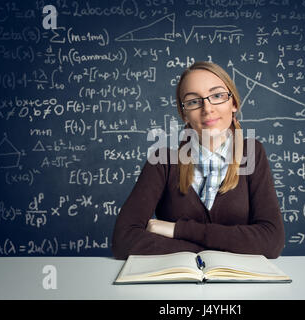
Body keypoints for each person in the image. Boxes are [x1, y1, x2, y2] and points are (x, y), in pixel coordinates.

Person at [112, 61, 285, 259]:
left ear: (234, 103)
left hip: (239, 286)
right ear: (184, 113)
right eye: (194, 101)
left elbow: (271, 242)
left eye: (217, 96)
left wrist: (179, 231)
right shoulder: (162, 162)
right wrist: (217, 248)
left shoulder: (252, 152)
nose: (207, 108)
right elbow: (123, 240)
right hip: (175, 285)